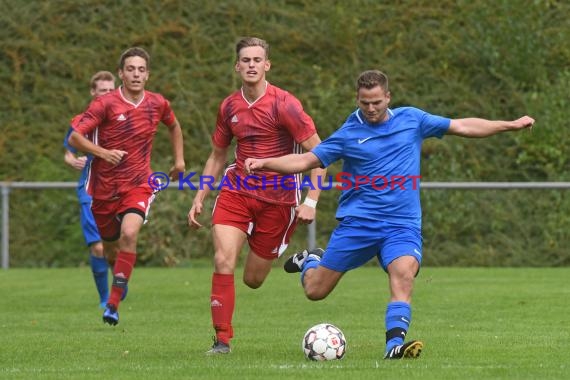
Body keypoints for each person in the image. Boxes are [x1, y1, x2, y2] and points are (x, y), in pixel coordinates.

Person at [244, 70, 535, 360]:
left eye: (377, 103)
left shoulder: (412, 119)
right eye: (364, 103)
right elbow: (307, 160)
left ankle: (393, 345)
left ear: (388, 98)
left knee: (403, 273)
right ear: (357, 100)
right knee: (315, 291)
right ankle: (311, 260)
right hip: (358, 225)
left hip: (401, 225)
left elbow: (463, 126)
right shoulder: (348, 134)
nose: (371, 109)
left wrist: (509, 125)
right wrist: (265, 162)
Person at [187, 37, 327, 354]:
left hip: (278, 200)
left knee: (253, 280)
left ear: (267, 65)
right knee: (223, 259)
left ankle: (307, 261)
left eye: (257, 60)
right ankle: (222, 339)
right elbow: (217, 155)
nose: (251, 65)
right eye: (245, 60)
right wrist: (201, 194)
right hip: (237, 190)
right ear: (237, 66)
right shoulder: (229, 107)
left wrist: (311, 200)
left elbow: (321, 154)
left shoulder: (285, 104)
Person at [68, 47, 185, 326]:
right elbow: (75, 138)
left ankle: (113, 304)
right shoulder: (105, 104)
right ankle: (120, 277)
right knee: (109, 250)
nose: (136, 74)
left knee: (129, 234)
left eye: (141, 69)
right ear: (121, 73)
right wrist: (102, 153)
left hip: (139, 184)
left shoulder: (157, 103)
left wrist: (179, 161)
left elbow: (174, 126)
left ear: (148, 74)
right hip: (104, 189)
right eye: (130, 69)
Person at [63, 70, 115, 309]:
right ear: (93, 93)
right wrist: (72, 160)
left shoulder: (125, 119)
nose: (107, 94)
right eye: (102, 90)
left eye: (111, 90)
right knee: (98, 246)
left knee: (118, 244)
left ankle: (120, 281)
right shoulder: (82, 120)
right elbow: (69, 151)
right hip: (90, 190)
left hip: (120, 190)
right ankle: (105, 298)